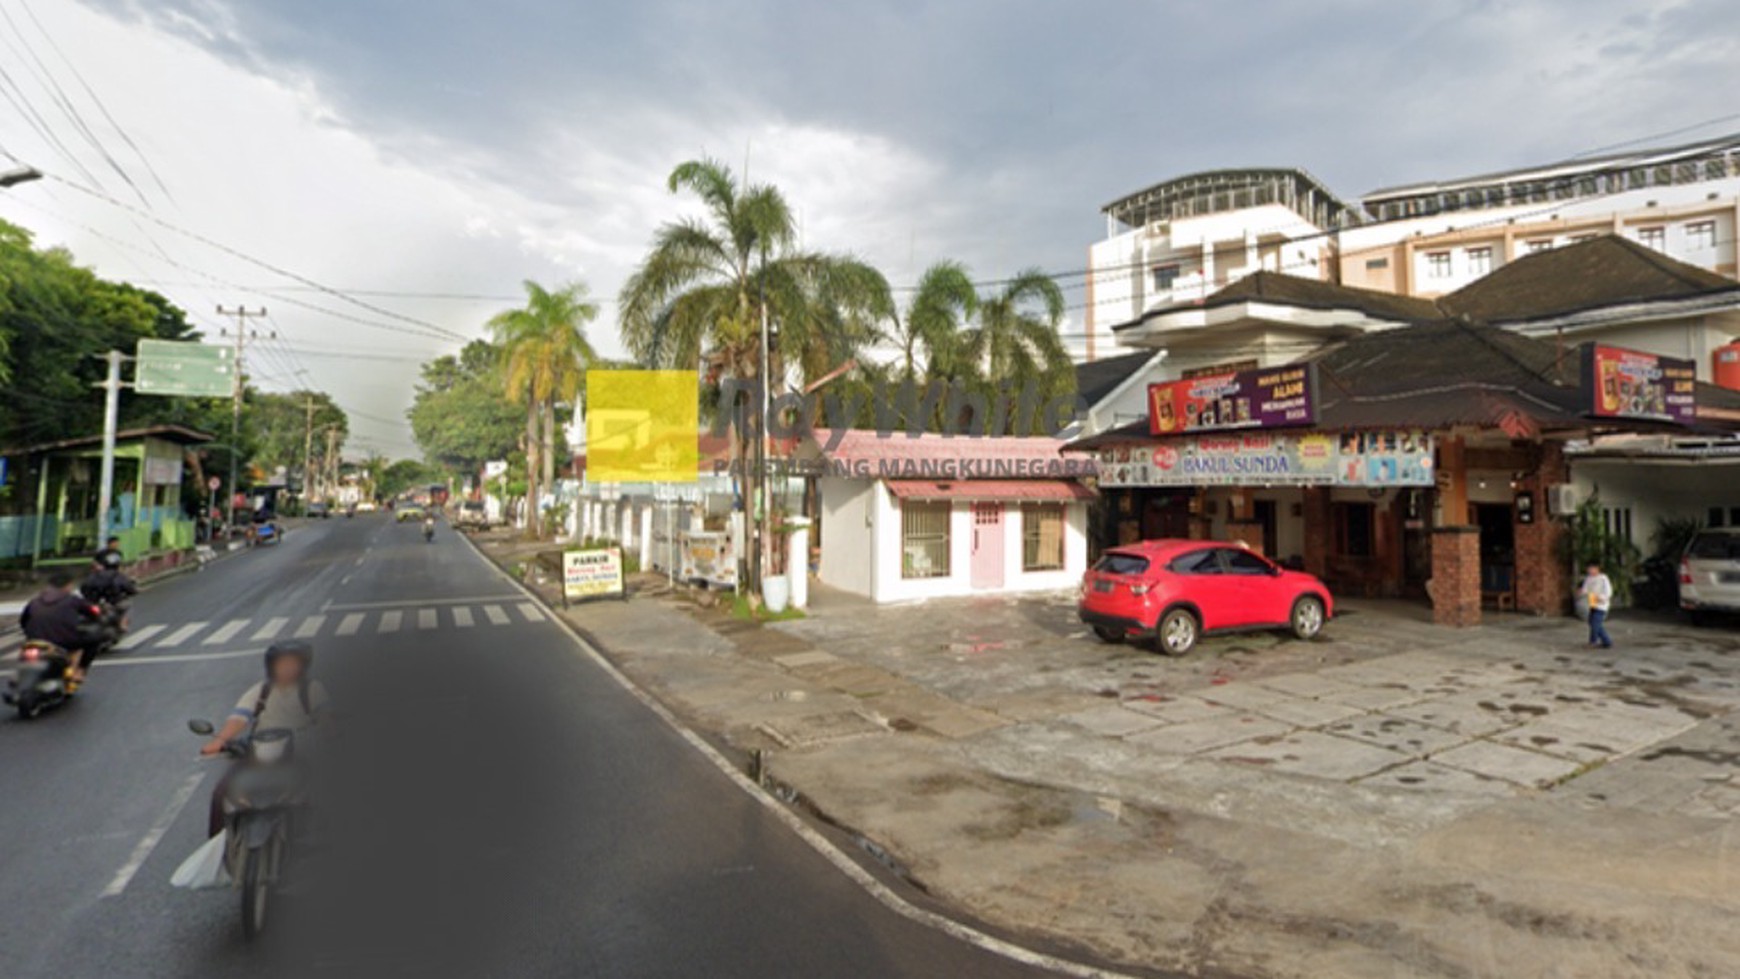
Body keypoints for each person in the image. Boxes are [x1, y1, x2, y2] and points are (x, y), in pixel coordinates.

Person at [201, 641, 330, 836]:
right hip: (260, 752)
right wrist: (220, 741)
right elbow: (239, 717)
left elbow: (324, 717)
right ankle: (218, 848)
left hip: (298, 752)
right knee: (222, 793)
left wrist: (329, 731)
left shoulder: (312, 689)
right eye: (281, 664)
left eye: (293, 664)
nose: (287, 669)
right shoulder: (261, 691)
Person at [19, 572, 103, 680]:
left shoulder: (34, 601)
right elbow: (93, 612)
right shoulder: (72, 600)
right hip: (64, 641)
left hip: (35, 641)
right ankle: (80, 670)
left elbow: (23, 621)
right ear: (68, 585)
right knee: (94, 640)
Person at [1578, 562, 1615, 649]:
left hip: (1601, 604)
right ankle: (1607, 641)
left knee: (1595, 623)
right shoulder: (1589, 579)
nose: (1590, 571)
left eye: (1592, 569)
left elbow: (1608, 591)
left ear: (1597, 569)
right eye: (1589, 569)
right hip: (1593, 603)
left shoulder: (1603, 578)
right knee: (1593, 623)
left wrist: (1602, 598)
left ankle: (1593, 641)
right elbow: (1585, 589)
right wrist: (1581, 592)